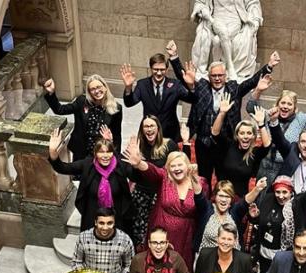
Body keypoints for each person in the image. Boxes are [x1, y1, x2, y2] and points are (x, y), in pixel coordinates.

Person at [165, 40, 280, 182]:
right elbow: (184, 77)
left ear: (225, 76)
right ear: (209, 76)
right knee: (203, 178)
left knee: (223, 177)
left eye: (220, 75)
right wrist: (174, 57)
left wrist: (268, 67)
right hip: (203, 141)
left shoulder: (233, 89)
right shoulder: (202, 87)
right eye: (214, 76)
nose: (217, 78)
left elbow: (251, 81)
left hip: (226, 142)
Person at [123, 137, 208, 271]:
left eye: (180, 165)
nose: (176, 168)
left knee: (180, 271)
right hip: (161, 233)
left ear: (187, 166)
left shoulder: (200, 182)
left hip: (186, 237)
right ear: (168, 169)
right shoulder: (164, 178)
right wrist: (139, 163)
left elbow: (204, 208)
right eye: (172, 166)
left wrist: (196, 187)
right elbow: (152, 171)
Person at [251, 161, 306, 273]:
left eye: (285, 192)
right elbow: (262, 223)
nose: (281, 196)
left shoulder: (297, 203)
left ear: (291, 192)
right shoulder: (268, 200)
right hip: (264, 254)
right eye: (277, 192)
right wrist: (255, 217)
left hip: (286, 256)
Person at [246, 75, 306, 186]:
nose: (285, 106)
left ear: (294, 107)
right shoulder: (270, 115)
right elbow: (250, 108)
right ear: (277, 104)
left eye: (289, 104)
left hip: (287, 167)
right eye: (282, 103)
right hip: (265, 165)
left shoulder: (302, 119)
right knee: (262, 198)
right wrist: (258, 90)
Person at [48, 128, 135, 233]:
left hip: (116, 222)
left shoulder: (120, 165)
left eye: (108, 152)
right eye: (101, 152)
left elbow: (136, 176)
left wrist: (138, 164)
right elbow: (63, 168)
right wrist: (53, 154)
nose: (105, 156)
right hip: (92, 221)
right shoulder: (87, 165)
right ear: (95, 153)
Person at [129, 115, 187, 246]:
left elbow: (182, 163)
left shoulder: (169, 145)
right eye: (146, 126)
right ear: (142, 130)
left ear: (158, 128)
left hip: (162, 194)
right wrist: (134, 164)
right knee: (140, 232)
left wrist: (186, 142)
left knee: (159, 231)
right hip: (141, 195)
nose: (149, 129)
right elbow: (133, 177)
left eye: (152, 126)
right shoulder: (139, 147)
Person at [44, 75, 122, 161]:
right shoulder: (82, 102)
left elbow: (117, 134)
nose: (96, 91)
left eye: (99, 87)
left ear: (105, 88)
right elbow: (60, 110)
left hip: (101, 153)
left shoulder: (116, 108)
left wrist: (116, 158)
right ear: (89, 92)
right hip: (81, 152)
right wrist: (51, 93)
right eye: (92, 89)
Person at [120, 54, 194, 142]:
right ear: (151, 68)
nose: (159, 73)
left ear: (166, 70)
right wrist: (128, 88)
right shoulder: (142, 84)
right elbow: (129, 103)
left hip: (171, 134)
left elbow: (191, 99)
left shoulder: (175, 85)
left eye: (162, 69)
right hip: (149, 134)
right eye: (156, 69)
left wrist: (191, 86)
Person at [210, 91, 270, 196]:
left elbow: (267, 145)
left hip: (240, 198)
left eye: (249, 133)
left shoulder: (254, 153)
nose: (245, 136)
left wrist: (261, 124)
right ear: (237, 136)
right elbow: (215, 133)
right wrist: (222, 113)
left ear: (253, 136)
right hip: (222, 194)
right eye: (242, 133)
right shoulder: (228, 146)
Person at [190, 0, 263, 81]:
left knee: (217, 40)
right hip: (217, 19)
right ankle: (229, 67)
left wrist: (255, 18)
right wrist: (201, 9)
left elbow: (253, 3)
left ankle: (216, 70)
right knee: (221, 34)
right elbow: (200, 2)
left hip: (234, 20)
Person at [193, 178, 266, 252]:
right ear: (215, 196)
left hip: (232, 259)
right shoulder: (207, 208)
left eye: (227, 196)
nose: (224, 200)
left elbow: (245, 201)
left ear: (231, 199)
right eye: (221, 196)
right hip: (206, 259)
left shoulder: (234, 211)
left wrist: (257, 189)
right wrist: (192, 176)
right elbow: (199, 195)